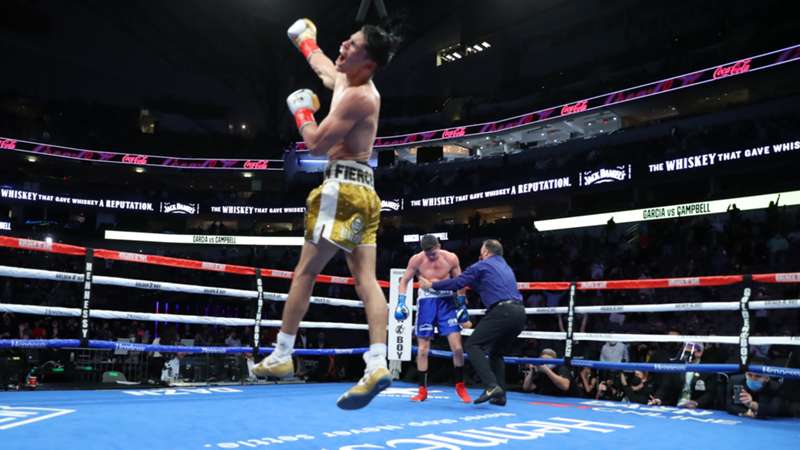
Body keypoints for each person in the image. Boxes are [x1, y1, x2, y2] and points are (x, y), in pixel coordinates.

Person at [252, 18, 401, 410]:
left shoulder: (359, 97)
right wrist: (305, 40)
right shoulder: (345, 82)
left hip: (342, 189)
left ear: (367, 63)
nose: (343, 47)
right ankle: (377, 363)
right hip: (365, 191)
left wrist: (302, 112)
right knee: (365, 280)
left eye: (352, 45)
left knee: (305, 271)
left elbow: (316, 145)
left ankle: (283, 354)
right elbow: (321, 65)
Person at [419, 239, 526, 406]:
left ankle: (491, 386)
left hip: (503, 311)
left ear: (486, 252)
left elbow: (458, 282)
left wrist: (433, 284)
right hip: (520, 314)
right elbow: (481, 285)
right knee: (496, 353)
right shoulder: (504, 266)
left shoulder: (482, 265)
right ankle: (500, 395)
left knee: (472, 345)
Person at [395, 234, 472, 403]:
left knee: (457, 348)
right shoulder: (416, 260)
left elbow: (460, 283)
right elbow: (404, 281)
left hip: (447, 302)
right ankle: (422, 390)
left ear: (439, 245)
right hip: (426, 302)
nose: (432, 256)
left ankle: (460, 386)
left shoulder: (451, 258)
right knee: (423, 349)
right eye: (428, 253)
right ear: (423, 251)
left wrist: (461, 306)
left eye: (434, 252)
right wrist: (401, 302)